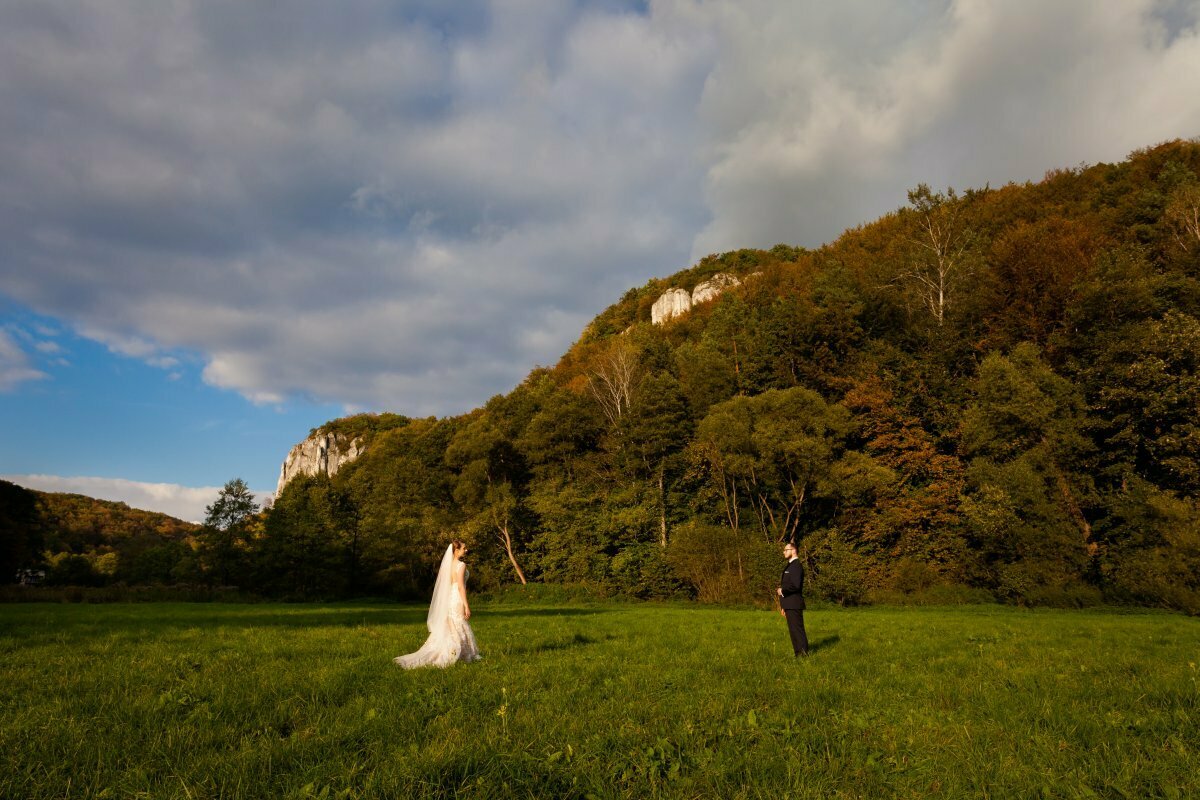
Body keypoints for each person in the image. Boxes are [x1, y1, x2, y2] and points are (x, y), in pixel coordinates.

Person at [394, 540, 481, 669]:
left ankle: (455, 651)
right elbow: (461, 587)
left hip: (450, 598)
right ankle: (463, 654)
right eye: (464, 548)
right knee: (459, 623)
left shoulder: (448, 565)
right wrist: (466, 605)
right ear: (456, 551)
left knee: (453, 625)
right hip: (457, 598)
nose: (466, 550)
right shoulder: (461, 565)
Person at [777, 540, 809, 657]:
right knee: (793, 631)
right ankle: (798, 654)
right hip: (789, 604)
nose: (784, 552)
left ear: (793, 550)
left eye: (786, 550)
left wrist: (782, 591)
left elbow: (795, 585)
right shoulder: (790, 565)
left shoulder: (796, 566)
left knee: (797, 630)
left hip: (794, 604)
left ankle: (803, 655)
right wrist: (783, 606)